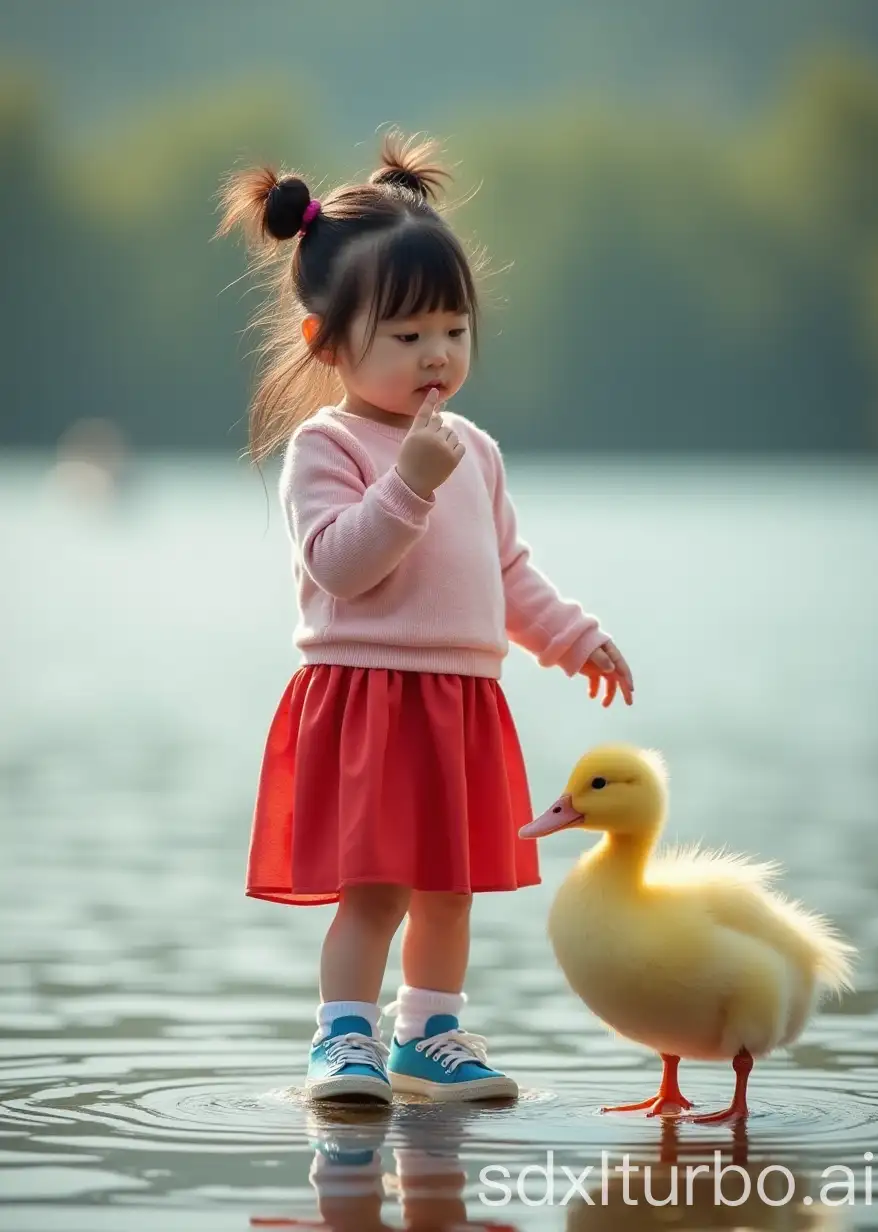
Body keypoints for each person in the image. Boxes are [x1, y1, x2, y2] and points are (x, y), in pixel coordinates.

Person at [217, 131, 634, 1105]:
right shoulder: (328, 447)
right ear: (329, 342)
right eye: (405, 338)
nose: (436, 353)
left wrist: (573, 635)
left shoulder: (472, 451)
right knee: (374, 889)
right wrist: (407, 480)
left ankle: (427, 1033)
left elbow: (506, 571)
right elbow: (340, 564)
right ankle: (343, 1038)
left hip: (460, 696)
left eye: (452, 328)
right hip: (366, 693)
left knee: (450, 889)